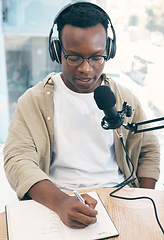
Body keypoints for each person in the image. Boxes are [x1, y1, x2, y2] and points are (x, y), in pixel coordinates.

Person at [3, 1, 160, 229]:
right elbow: (17, 159)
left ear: (109, 51)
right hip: (57, 199)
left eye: (97, 57)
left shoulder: (126, 96)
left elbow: (148, 149)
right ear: (57, 52)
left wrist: (143, 201)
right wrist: (61, 202)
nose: (86, 69)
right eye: (74, 57)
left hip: (119, 198)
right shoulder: (34, 100)